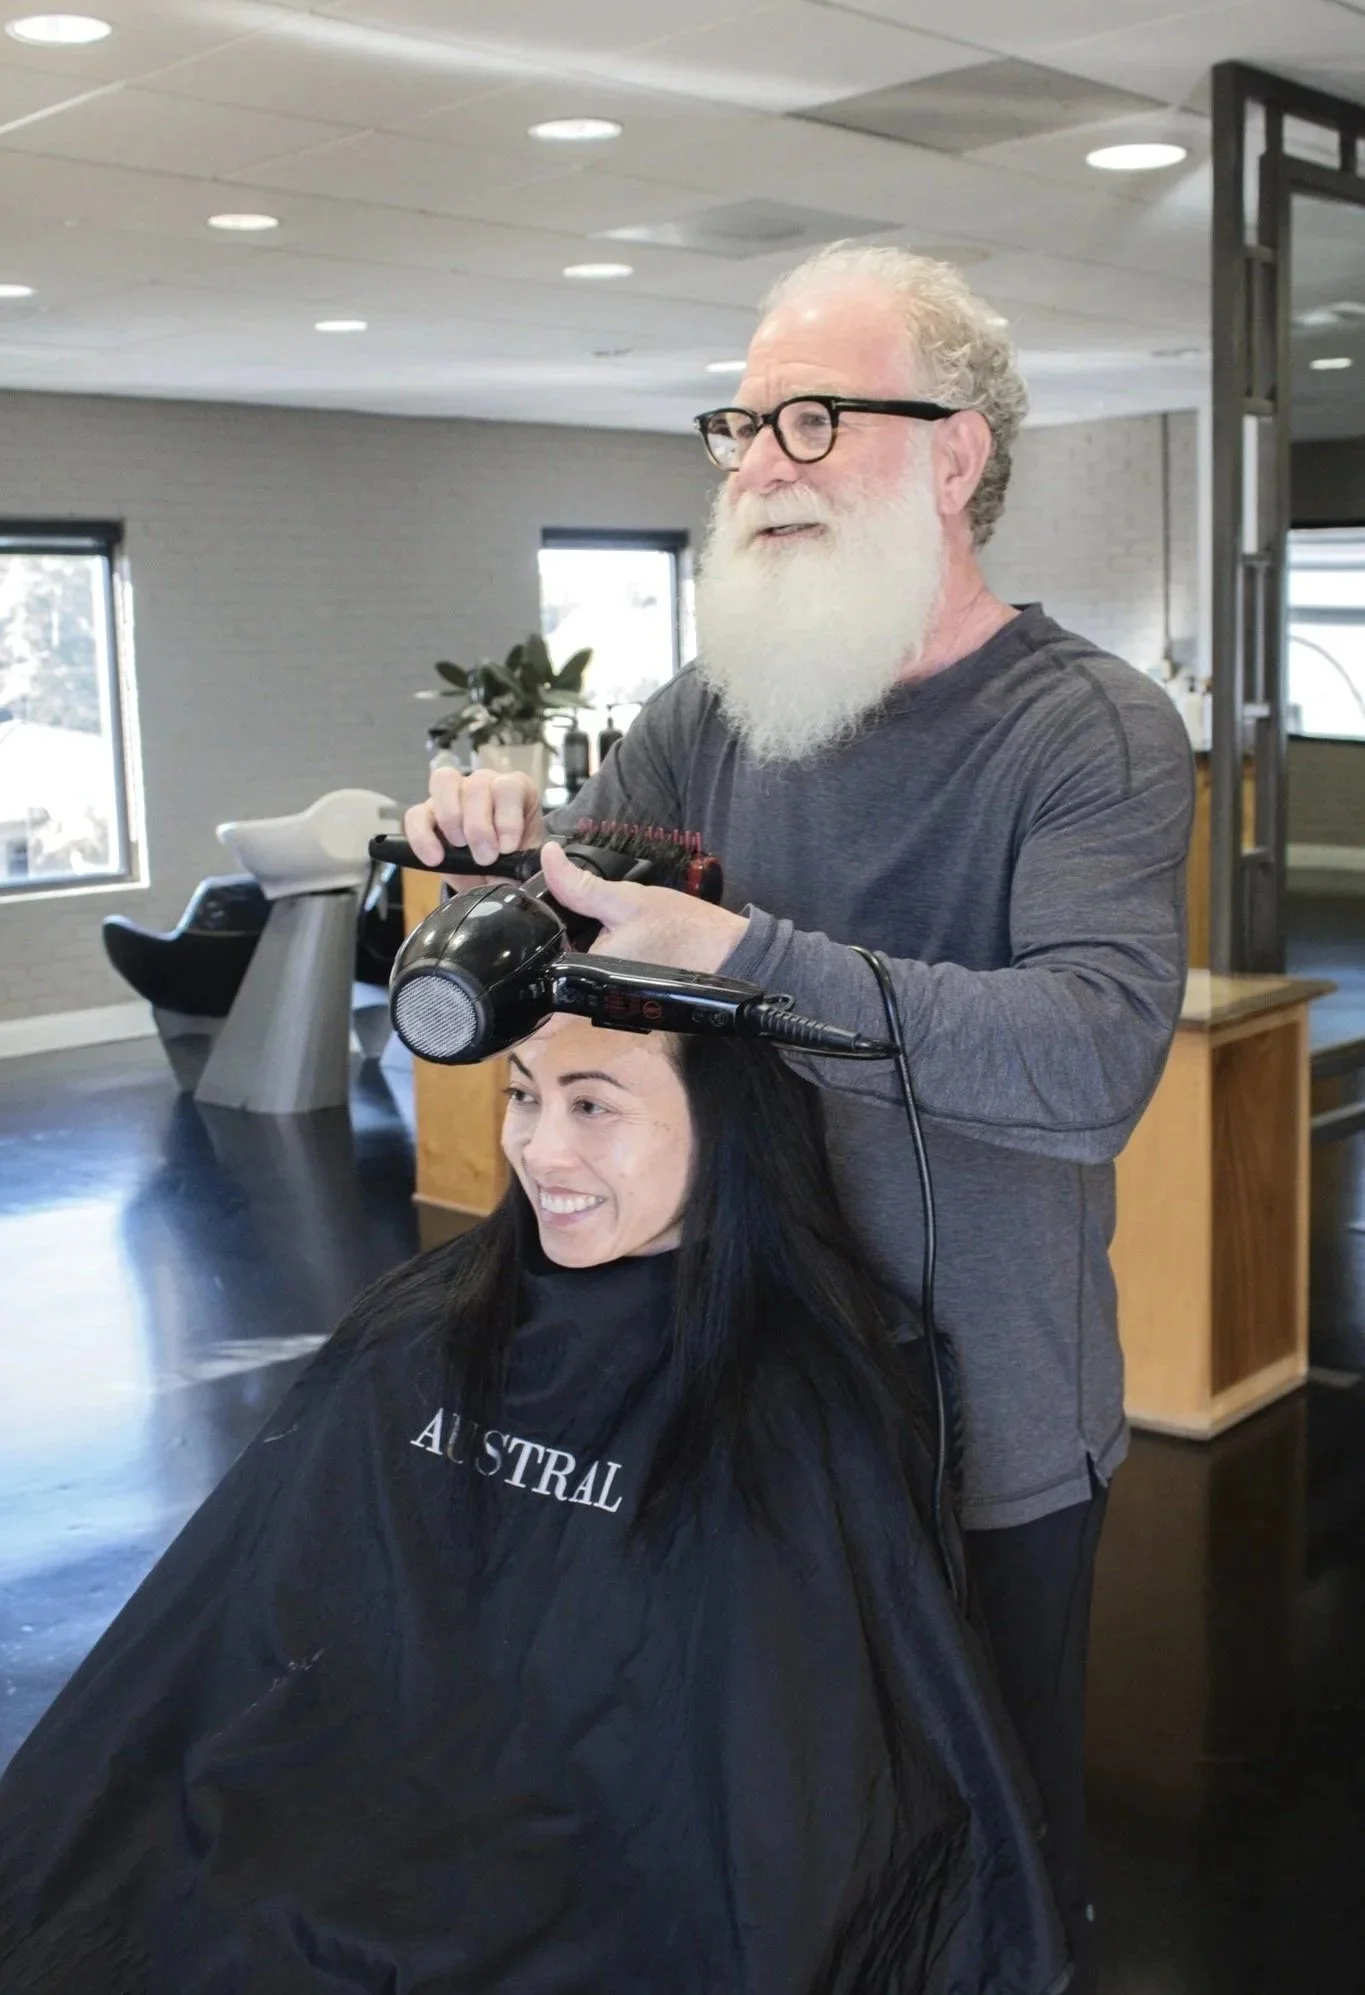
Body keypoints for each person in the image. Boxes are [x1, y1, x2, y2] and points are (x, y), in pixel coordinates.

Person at [402, 242, 1195, 1994]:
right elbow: (591, 943)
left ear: (960, 451)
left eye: (813, 420)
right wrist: (500, 860)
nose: (758, 462)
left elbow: (1087, 1065)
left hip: (978, 1418)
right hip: (741, 1378)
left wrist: (754, 955)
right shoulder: (710, 718)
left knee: (983, 1851)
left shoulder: (1091, 734)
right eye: (745, 423)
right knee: (768, 1821)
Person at [0, 1015, 1069, 1994]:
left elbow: (783, 1792)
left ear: (731, 1126)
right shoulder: (424, 1329)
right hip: (364, 1801)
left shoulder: (795, 1405)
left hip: (609, 1877)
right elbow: (267, 1612)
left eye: (594, 1105)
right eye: (523, 1095)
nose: (539, 1151)